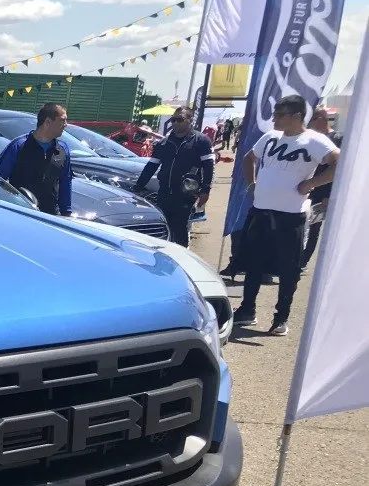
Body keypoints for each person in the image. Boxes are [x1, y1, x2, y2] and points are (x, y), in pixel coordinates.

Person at [231, 94, 340, 336]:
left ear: (297, 116)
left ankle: (281, 317)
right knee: (254, 263)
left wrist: (312, 183)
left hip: (291, 215)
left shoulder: (313, 140)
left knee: (289, 270)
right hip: (261, 211)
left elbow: (338, 162)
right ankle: (247, 309)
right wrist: (252, 184)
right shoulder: (270, 137)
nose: (274, 119)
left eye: (279, 115)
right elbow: (249, 158)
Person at [132, 105, 215, 247]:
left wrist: (205, 190)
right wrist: (138, 187)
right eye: (173, 120)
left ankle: (181, 259)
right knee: (164, 229)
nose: (175, 123)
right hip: (164, 193)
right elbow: (151, 166)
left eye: (179, 119)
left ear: (190, 120)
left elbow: (209, 167)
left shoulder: (201, 141)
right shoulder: (164, 143)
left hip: (185, 195)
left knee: (180, 230)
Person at [0, 102, 74, 217]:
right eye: (62, 120)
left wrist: (66, 213)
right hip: (20, 214)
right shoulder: (18, 146)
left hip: (50, 216)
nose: (66, 124)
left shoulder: (62, 149)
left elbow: (65, 182)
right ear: (48, 122)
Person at [301, 103, 343, 268]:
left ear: (320, 119)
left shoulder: (338, 139)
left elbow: (340, 170)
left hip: (323, 192)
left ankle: (303, 260)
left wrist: (329, 195)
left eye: (310, 119)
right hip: (305, 189)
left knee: (313, 227)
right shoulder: (311, 139)